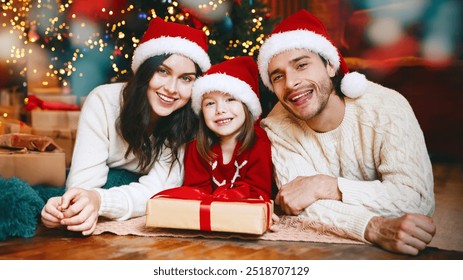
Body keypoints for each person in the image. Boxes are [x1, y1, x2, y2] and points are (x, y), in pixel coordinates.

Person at [257, 9, 436, 255]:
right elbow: (300, 206)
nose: (290, 83)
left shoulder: (387, 106)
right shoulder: (276, 127)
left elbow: (416, 201)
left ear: (331, 65)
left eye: (302, 65)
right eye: (278, 76)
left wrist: (328, 186)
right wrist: (372, 227)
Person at [40, 17, 211, 235]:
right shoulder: (103, 101)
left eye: (186, 79)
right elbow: (83, 184)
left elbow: (159, 190)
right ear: (145, 70)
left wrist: (99, 201)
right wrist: (73, 206)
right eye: (163, 71)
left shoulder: (189, 120)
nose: (171, 88)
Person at [183, 56, 273, 199]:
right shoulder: (197, 145)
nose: (220, 110)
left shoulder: (259, 142)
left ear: (246, 106)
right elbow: (196, 193)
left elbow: (259, 194)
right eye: (210, 103)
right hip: (208, 214)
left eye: (230, 99)